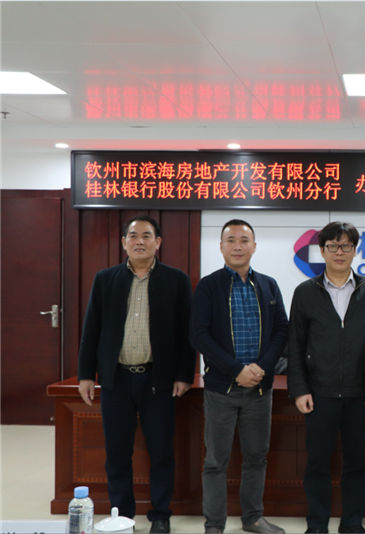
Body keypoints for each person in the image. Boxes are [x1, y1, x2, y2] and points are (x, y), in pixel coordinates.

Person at [77, 215, 195, 534]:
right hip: (116, 379)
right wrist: (86, 374)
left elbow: (187, 332)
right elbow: (92, 329)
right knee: (117, 452)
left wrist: (185, 374)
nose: (139, 241)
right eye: (133, 235)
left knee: (161, 451)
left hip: (159, 380)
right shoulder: (106, 279)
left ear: (158, 242)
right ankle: (122, 515)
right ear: (123, 242)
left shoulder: (176, 280)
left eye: (146, 235)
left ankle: (161, 514)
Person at [288, 221, 365, 534]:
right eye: (332, 246)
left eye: (346, 246)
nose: (339, 252)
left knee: (357, 463)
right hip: (319, 394)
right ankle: (317, 524)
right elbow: (295, 344)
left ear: (355, 250)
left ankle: (352, 523)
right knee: (317, 463)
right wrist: (299, 389)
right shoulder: (305, 292)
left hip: (360, 394)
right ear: (322, 251)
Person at [190, 219, 288, 534]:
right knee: (215, 461)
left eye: (244, 240)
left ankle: (253, 518)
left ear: (254, 246)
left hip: (259, 389)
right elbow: (199, 335)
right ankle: (214, 525)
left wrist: (262, 367)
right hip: (222, 389)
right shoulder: (209, 286)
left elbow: (281, 330)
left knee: (256, 457)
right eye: (230, 240)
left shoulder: (268, 285)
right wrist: (236, 370)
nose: (237, 246)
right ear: (221, 247)